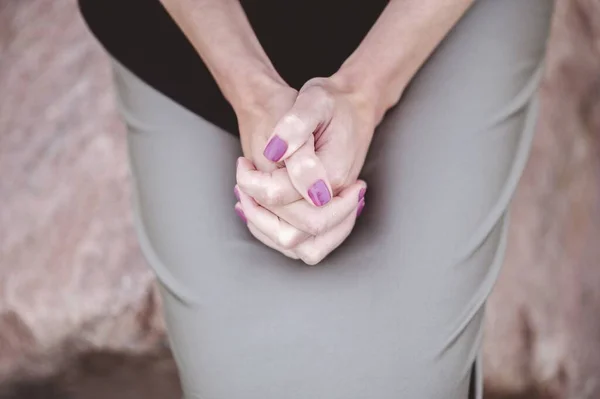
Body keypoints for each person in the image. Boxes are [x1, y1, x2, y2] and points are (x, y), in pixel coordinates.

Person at [78, 0, 554, 397]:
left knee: (404, 375)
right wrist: (251, 92)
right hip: (194, 33)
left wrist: (365, 90)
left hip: (435, 19)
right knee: (242, 378)